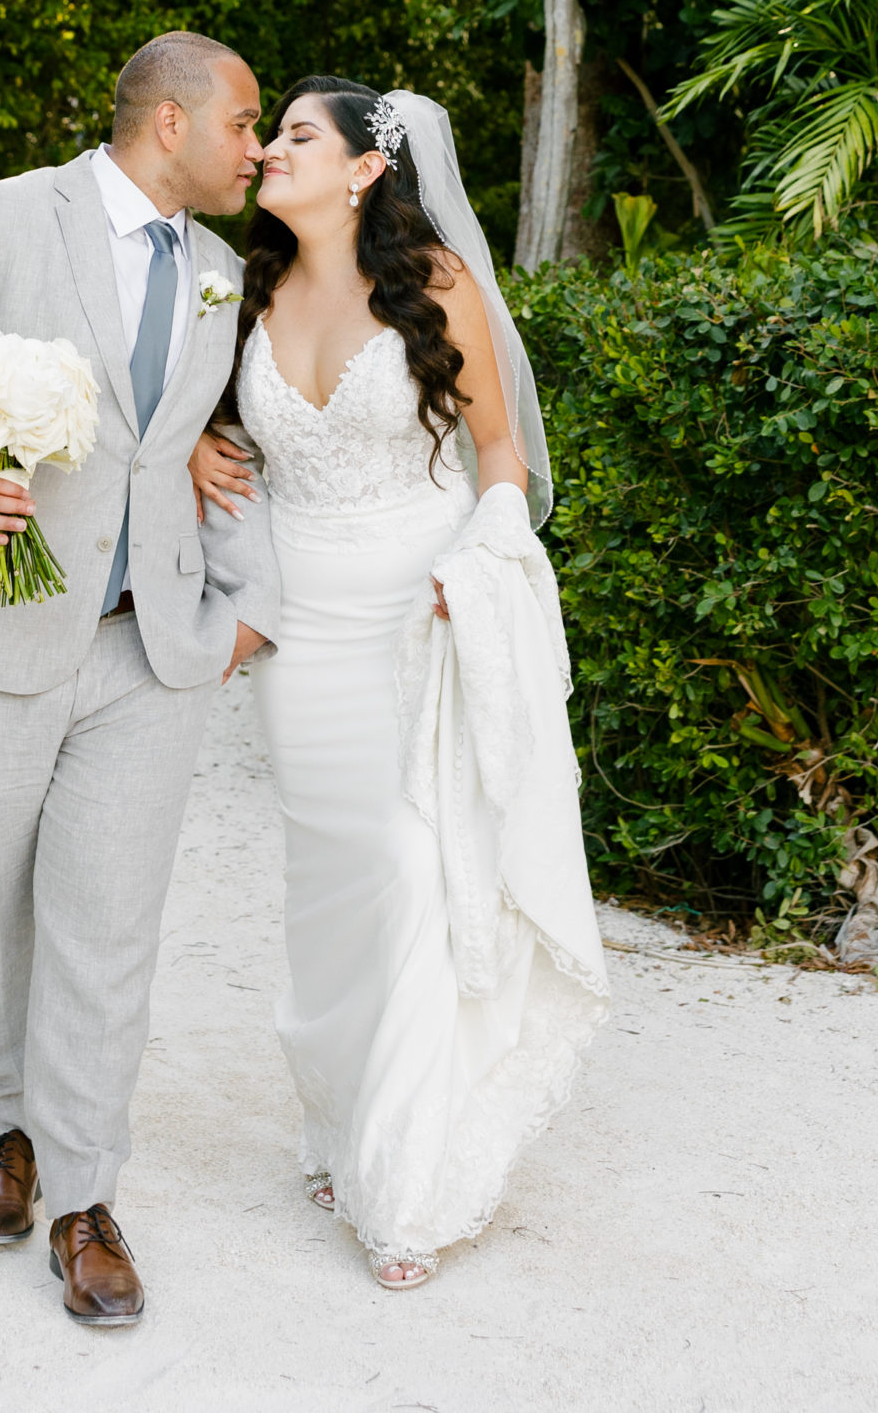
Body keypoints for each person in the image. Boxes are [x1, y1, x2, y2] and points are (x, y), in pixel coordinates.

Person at [0, 32, 280, 1330]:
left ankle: (87, 1201)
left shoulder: (220, 273)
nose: (255, 148)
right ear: (167, 121)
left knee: (107, 927)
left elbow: (195, 434)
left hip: (147, 651)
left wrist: (230, 561)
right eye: (244, 123)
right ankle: (3, 1143)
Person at [191, 78, 607, 1289]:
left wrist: (480, 556)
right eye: (271, 137)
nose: (269, 149)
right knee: (328, 882)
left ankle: (409, 1181)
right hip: (300, 625)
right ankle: (333, 1119)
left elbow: (498, 455)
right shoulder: (249, 289)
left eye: (297, 136)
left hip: (415, 612)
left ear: (364, 167)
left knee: (408, 868)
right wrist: (203, 444)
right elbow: (219, 432)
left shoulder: (433, 282)